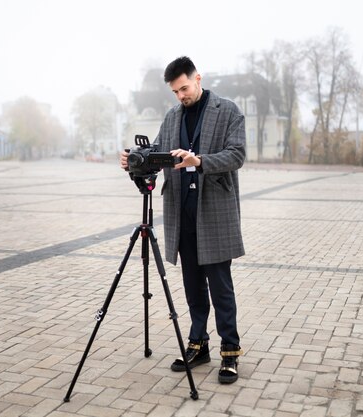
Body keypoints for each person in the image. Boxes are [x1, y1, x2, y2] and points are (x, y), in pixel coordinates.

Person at [121, 56, 245, 384]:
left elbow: (237, 155)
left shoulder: (228, 110)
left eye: (184, 88)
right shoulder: (172, 116)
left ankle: (230, 352)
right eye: (175, 91)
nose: (180, 96)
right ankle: (198, 343)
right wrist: (136, 161)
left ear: (198, 78)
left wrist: (200, 160)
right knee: (192, 285)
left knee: (220, 287)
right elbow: (161, 152)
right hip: (182, 212)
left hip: (214, 212)